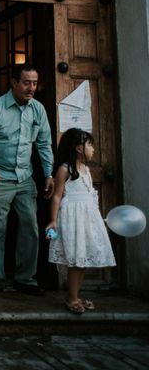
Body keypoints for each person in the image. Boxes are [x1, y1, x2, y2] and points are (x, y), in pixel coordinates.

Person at [0, 63, 54, 295]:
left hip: (26, 178)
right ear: (14, 83)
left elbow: (44, 144)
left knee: (31, 227)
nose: (31, 88)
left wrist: (47, 173)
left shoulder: (38, 110)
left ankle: (25, 279)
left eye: (34, 83)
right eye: (26, 82)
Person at [45, 128, 115, 314]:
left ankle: (76, 294)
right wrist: (53, 220)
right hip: (72, 219)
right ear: (78, 148)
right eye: (90, 145)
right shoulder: (65, 169)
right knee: (75, 260)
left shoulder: (86, 170)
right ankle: (72, 298)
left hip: (86, 219)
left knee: (82, 260)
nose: (93, 149)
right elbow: (57, 196)